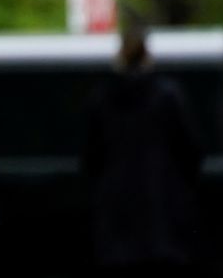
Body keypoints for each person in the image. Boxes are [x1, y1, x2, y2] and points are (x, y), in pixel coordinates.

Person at [83, 26, 203, 278]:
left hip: (116, 219)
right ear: (148, 55)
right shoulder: (168, 95)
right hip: (163, 217)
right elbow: (190, 151)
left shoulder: (102, 98)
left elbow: (90, 158)